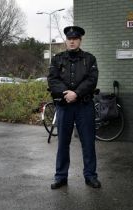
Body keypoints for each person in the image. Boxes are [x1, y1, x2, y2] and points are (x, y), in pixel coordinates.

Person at [48, 26, 101, 189]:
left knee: (88, 142)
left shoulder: (89, 59)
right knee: (63, 142)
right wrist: (67, 94)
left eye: (75, 39)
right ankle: (61, 176)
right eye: (69, 39)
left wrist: (76, 93)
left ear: (80, 40)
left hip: (84, 106)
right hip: (64, 106)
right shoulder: (57, 59)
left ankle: (90, 176)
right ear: (66, 40)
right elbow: (52, 80)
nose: (72, 41)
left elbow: (92, 80)